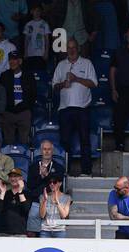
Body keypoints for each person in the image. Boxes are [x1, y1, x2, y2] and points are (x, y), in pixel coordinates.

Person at [52, 38, 95, 176]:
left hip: (83, 108)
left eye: (74, 47)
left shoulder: (87, 63)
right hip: (65, 109)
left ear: (78, 48)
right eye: (69, 48)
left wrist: (76, 79)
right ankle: (65, 171)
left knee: (85, 140)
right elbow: (54, 86)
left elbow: (93, 83)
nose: (71, 50)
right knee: (65, 141)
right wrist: (62, 84)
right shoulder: (61, 65)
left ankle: (86, 171)